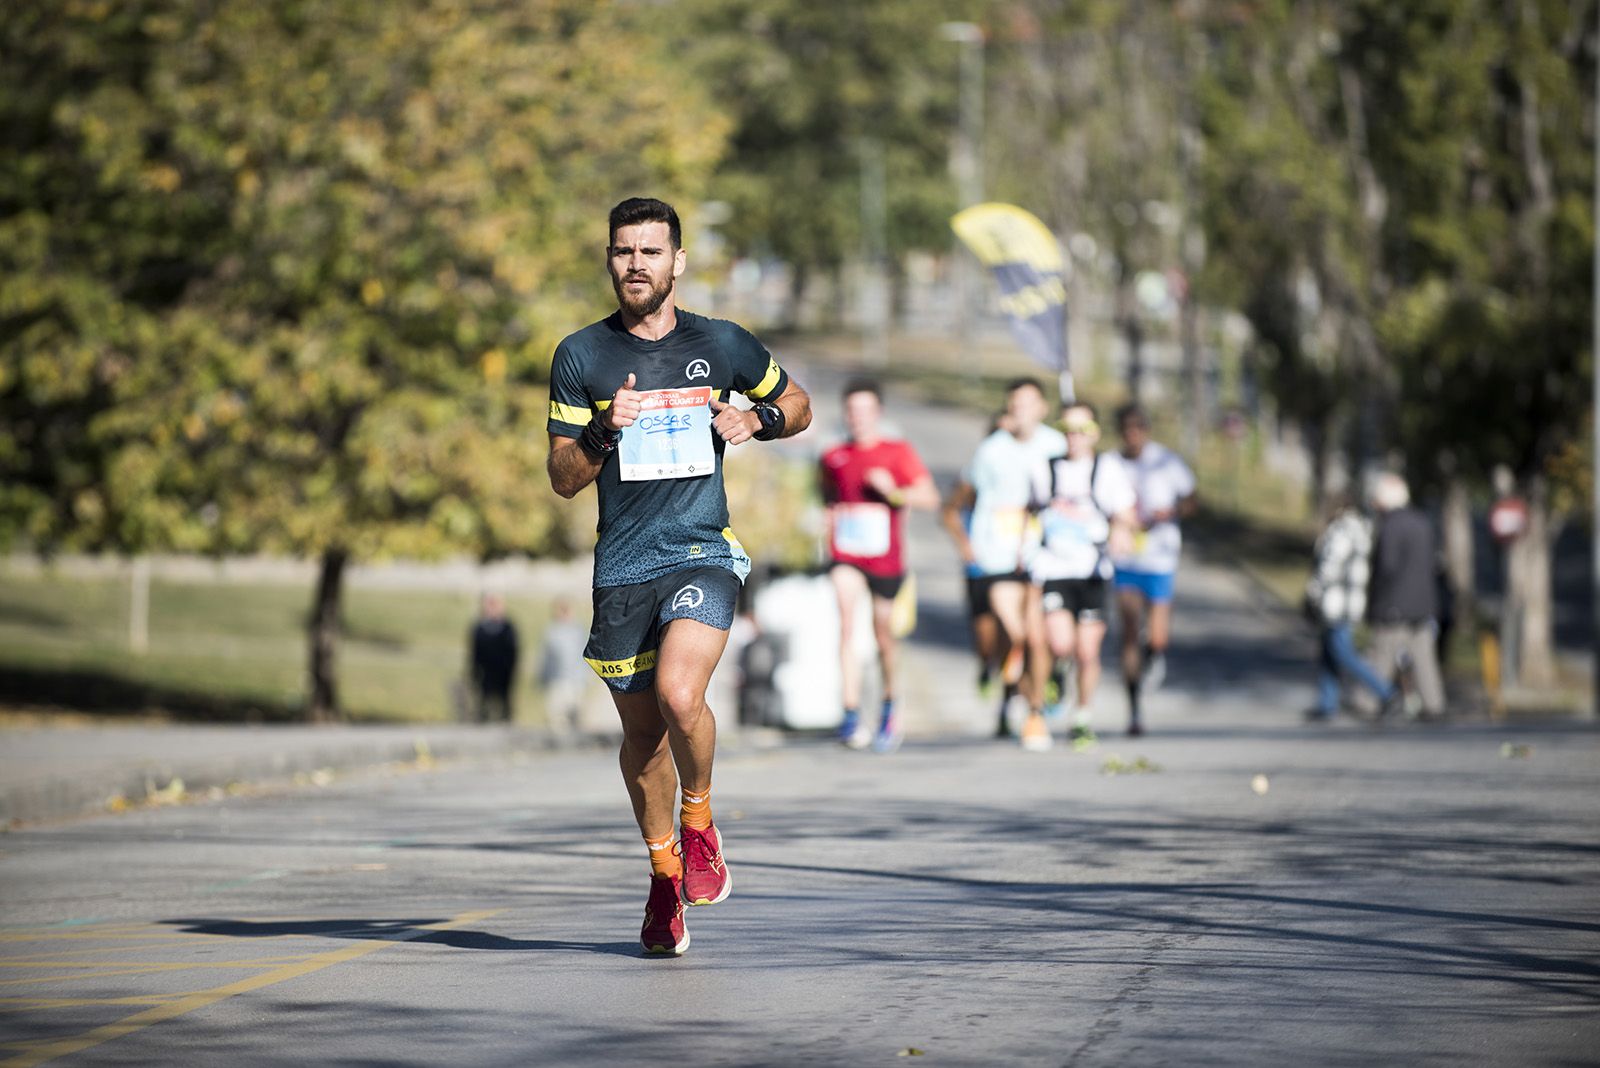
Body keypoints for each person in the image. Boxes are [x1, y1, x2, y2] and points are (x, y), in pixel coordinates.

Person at [546, 196, 812, 956]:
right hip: (623, 565)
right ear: (610, 260)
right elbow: (564, 477)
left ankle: (700, 823)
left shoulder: (721, 343)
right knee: (643, 740)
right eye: (624, 251)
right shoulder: (581, 356)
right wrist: (603, 429)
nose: (636, 264)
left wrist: (757, 420)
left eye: (651, 251)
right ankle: (665, 879)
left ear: (678, 262)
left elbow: (797, 404)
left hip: (701, 548)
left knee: (679, 694)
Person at [942, 379, 1065, 740]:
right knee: (1017, 635)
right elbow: (963, 498)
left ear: (1043, 408)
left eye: (1028, 403)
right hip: (996, 558)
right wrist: (966, 544)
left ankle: (1032, 709)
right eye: (1015, 403)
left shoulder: (1056, 446)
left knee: (1039, 638)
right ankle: (1025, 700)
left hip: (1043, 557)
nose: (1020, 410)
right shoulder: (991, 450)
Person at [820, 379, 938, 752]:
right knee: (846, 624)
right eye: (852, 411)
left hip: (885, 559)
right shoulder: (833, 456)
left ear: (878, 414)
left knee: (884, 633)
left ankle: (889, 703)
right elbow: (827, 497)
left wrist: (894, 492)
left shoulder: (897, 452)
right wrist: (828, 520)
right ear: (845, 414)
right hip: (847, 554)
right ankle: (851, 713)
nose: (858, 418)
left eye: (866, 411)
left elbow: (930, 498)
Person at [1023, 403, 1137, 749]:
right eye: (1068, 430)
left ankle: (1083, 716)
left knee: (1088, 651)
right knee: (1060, 643)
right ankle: (1058, 671)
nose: (1074, 438)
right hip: (1055, 568)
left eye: (1081, 430)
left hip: (1092, 572)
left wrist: (1121, 529)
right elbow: (1030, 511)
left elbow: (1127, 512)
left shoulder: (1108, 469)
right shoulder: (1046, 470)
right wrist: (1024, 550)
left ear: (1094, 434)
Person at [1105, 404, 1196, 737]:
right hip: (1125, 559)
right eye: (1126, 428)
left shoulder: (1166, 462)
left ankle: (1154, 655)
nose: (1132, 434)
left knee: (1157, 636)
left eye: (1138, 428)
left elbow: (1192, 498)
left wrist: (1168, 512)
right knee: (1129, 629)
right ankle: (1134, 707)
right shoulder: (1110, 465)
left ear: (1146, 430)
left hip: (1159, 559)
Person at [1303, 494, 1400, 721]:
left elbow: (1329, 567)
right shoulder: (1359, 530)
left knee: (1344, 653)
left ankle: (1386, 692)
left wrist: (1313, 591)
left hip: (1336, 603)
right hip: (1348, 602)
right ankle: (1327, 703)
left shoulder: (1341, 531)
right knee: (1328, 653)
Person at [1367, 472, 1446, 719]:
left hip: (1394, 604)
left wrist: (1374, 600)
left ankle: (1367, 701)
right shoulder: (1422, 522)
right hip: (1423, 603)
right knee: (1424, 658)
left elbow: (1386, 567)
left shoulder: (1390, 525)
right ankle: (1434, 704)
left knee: (1382, 654)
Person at [536, 597, 589, 735]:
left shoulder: (578, 630)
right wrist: (542, 676)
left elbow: (585, 654)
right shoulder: (551, 631)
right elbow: (545, 656)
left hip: (575, 680)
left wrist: (586, 676)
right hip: (556, 680)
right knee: (556, 718)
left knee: (575, 715)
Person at [468, 592, 519, 723]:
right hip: (485, 673)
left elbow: (513, 651)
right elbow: (474, 653)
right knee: (484, 705)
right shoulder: (479, 628)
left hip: (503, 674)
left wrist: (510, 670)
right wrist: (474, 671)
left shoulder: (508, 628)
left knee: (504, 706)